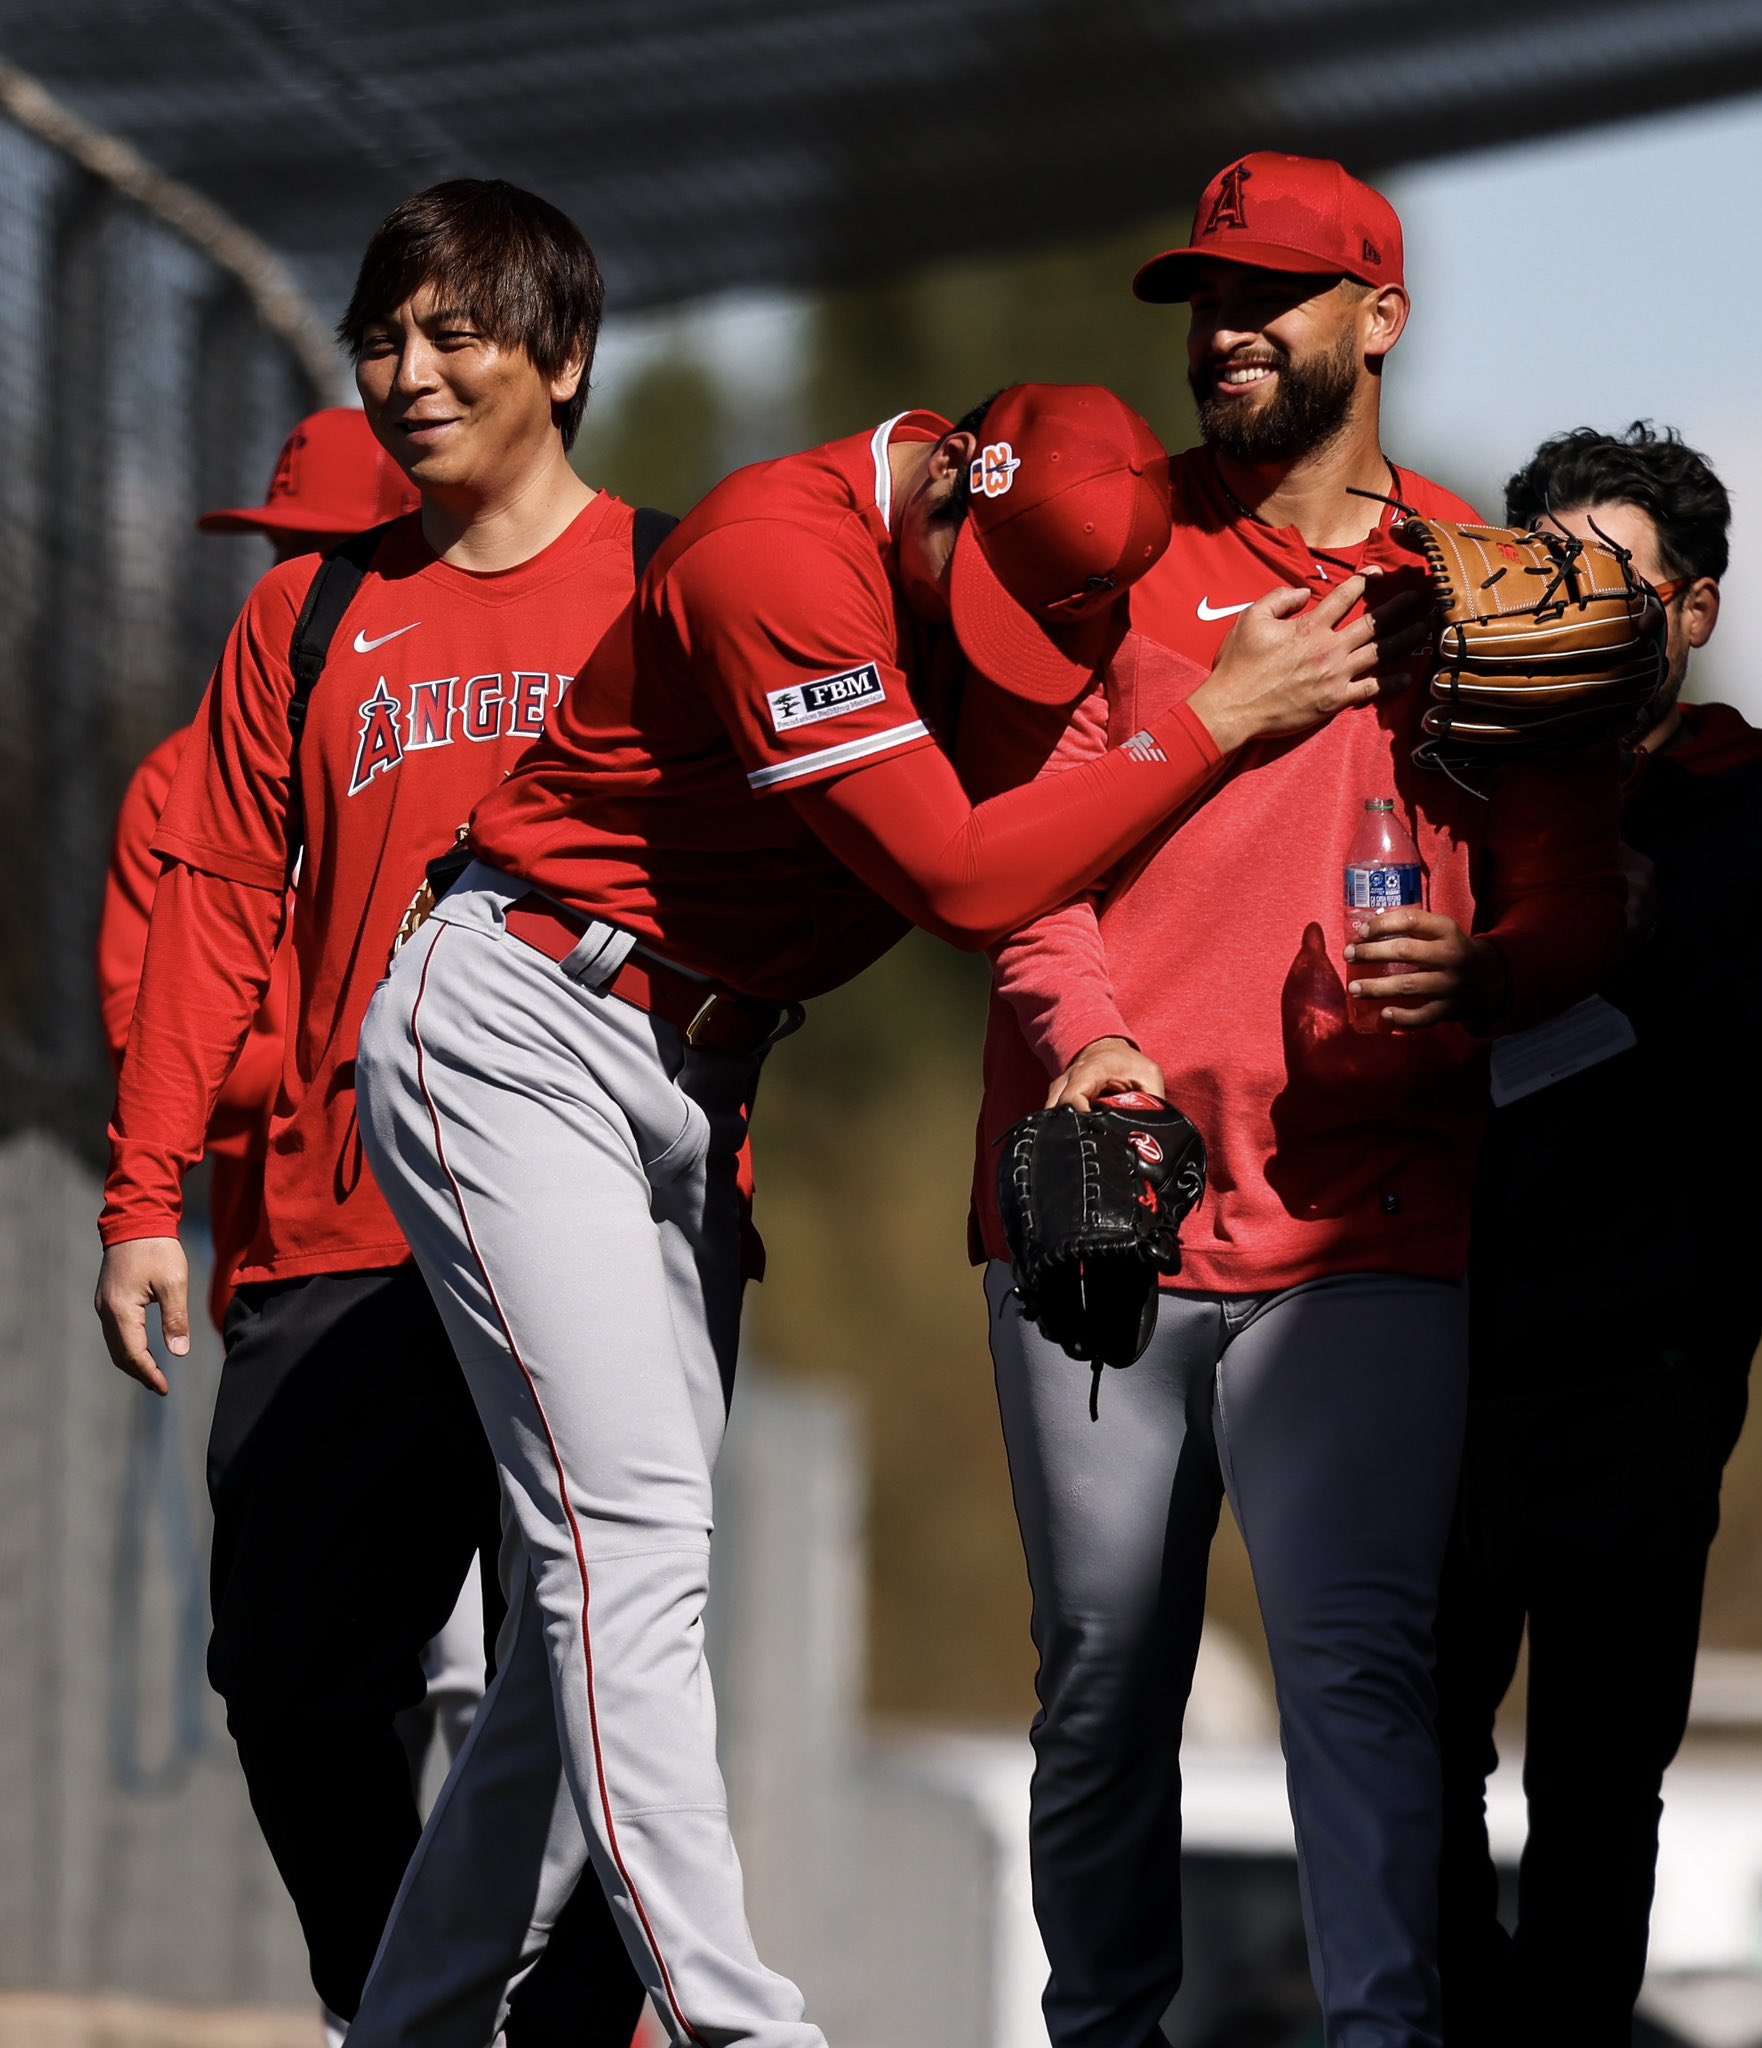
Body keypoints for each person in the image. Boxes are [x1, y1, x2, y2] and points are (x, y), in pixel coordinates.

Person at [340, 376, 1413, 2048]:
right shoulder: (778, 549)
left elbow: (1045, 857)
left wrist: (1099, 1028)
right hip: (529, 1013)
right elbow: (969, 877)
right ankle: (741, 2028)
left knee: (595, 1625)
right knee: (624, 1546)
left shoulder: (992, 578)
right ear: (933, 475)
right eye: (978, 587)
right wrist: (1210, 717)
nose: (992, 645)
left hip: (688, 1078)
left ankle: (405, 2025)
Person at [961, 154, 1627, 2048]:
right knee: (1100, 1675)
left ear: (1378, 319)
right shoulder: (1099, 551)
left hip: (1364, 1214)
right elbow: (1013, 861)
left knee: (1356, 1670)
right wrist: (1083, 1029)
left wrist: (1496, 968)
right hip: (1102, 1209)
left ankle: (1382, 2033)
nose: (1222, 329)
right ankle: (1104, 2030)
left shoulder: (1483, 587)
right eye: (1200, 295)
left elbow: (1575, 891)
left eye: (1266, 295)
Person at [92, 181, 647, 2043]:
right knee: (287, 1665)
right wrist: (142, 1192)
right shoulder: (311, 611)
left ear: (559, 357)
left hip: (602, 1228)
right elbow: (215, 911)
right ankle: (393, 2002)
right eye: (383, 338)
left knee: (590, 1691)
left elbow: (826, 834)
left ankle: (566, 2021)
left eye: (452, 335)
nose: (408, 373)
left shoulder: (671, 582)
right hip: (341, 1229)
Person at [1431, 424, 1762, 2046]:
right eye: (1538, 570)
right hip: (1428, 1353)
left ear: (1689, 613)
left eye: (1608, 578)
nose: (1572, 606)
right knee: (1404, 1751)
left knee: (1600, 1784)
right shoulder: (1438, 797)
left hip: (1643, 1384)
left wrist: (1640, 932)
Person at [99, 407, 418, 1335]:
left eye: (332, 550)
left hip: (485, 1223)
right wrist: (338, 1069)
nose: (297, 577)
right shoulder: (178, 774)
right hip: (278, 1243)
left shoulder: (469, 736)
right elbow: (139, 1029)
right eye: (283, 545)